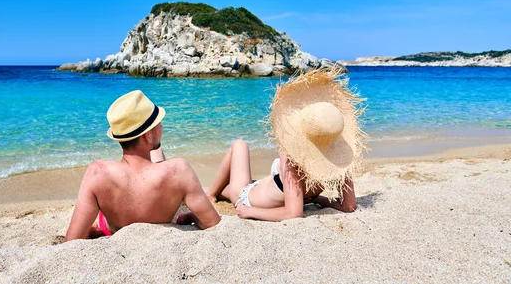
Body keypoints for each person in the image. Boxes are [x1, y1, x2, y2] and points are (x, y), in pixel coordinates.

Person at [206, 69, 367, 221]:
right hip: (263, 190)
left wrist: (249, 211)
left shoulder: (292, 155)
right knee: (239, 180)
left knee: (239, 145)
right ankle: (215, 193)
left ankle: (211, 195)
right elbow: (349, 206)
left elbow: (293, 213)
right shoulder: (339, 157)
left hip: (248, 199)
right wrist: (320, 199)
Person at [64, 90, 220, 241]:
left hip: (111, 229)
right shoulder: (179, 170)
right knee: (160, 160)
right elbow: (212, 223)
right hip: (159, 208)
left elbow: (72, 240)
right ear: (148, 135)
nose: (162, 127)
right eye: (159, 123)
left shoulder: (97, 172)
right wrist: (192, 217)